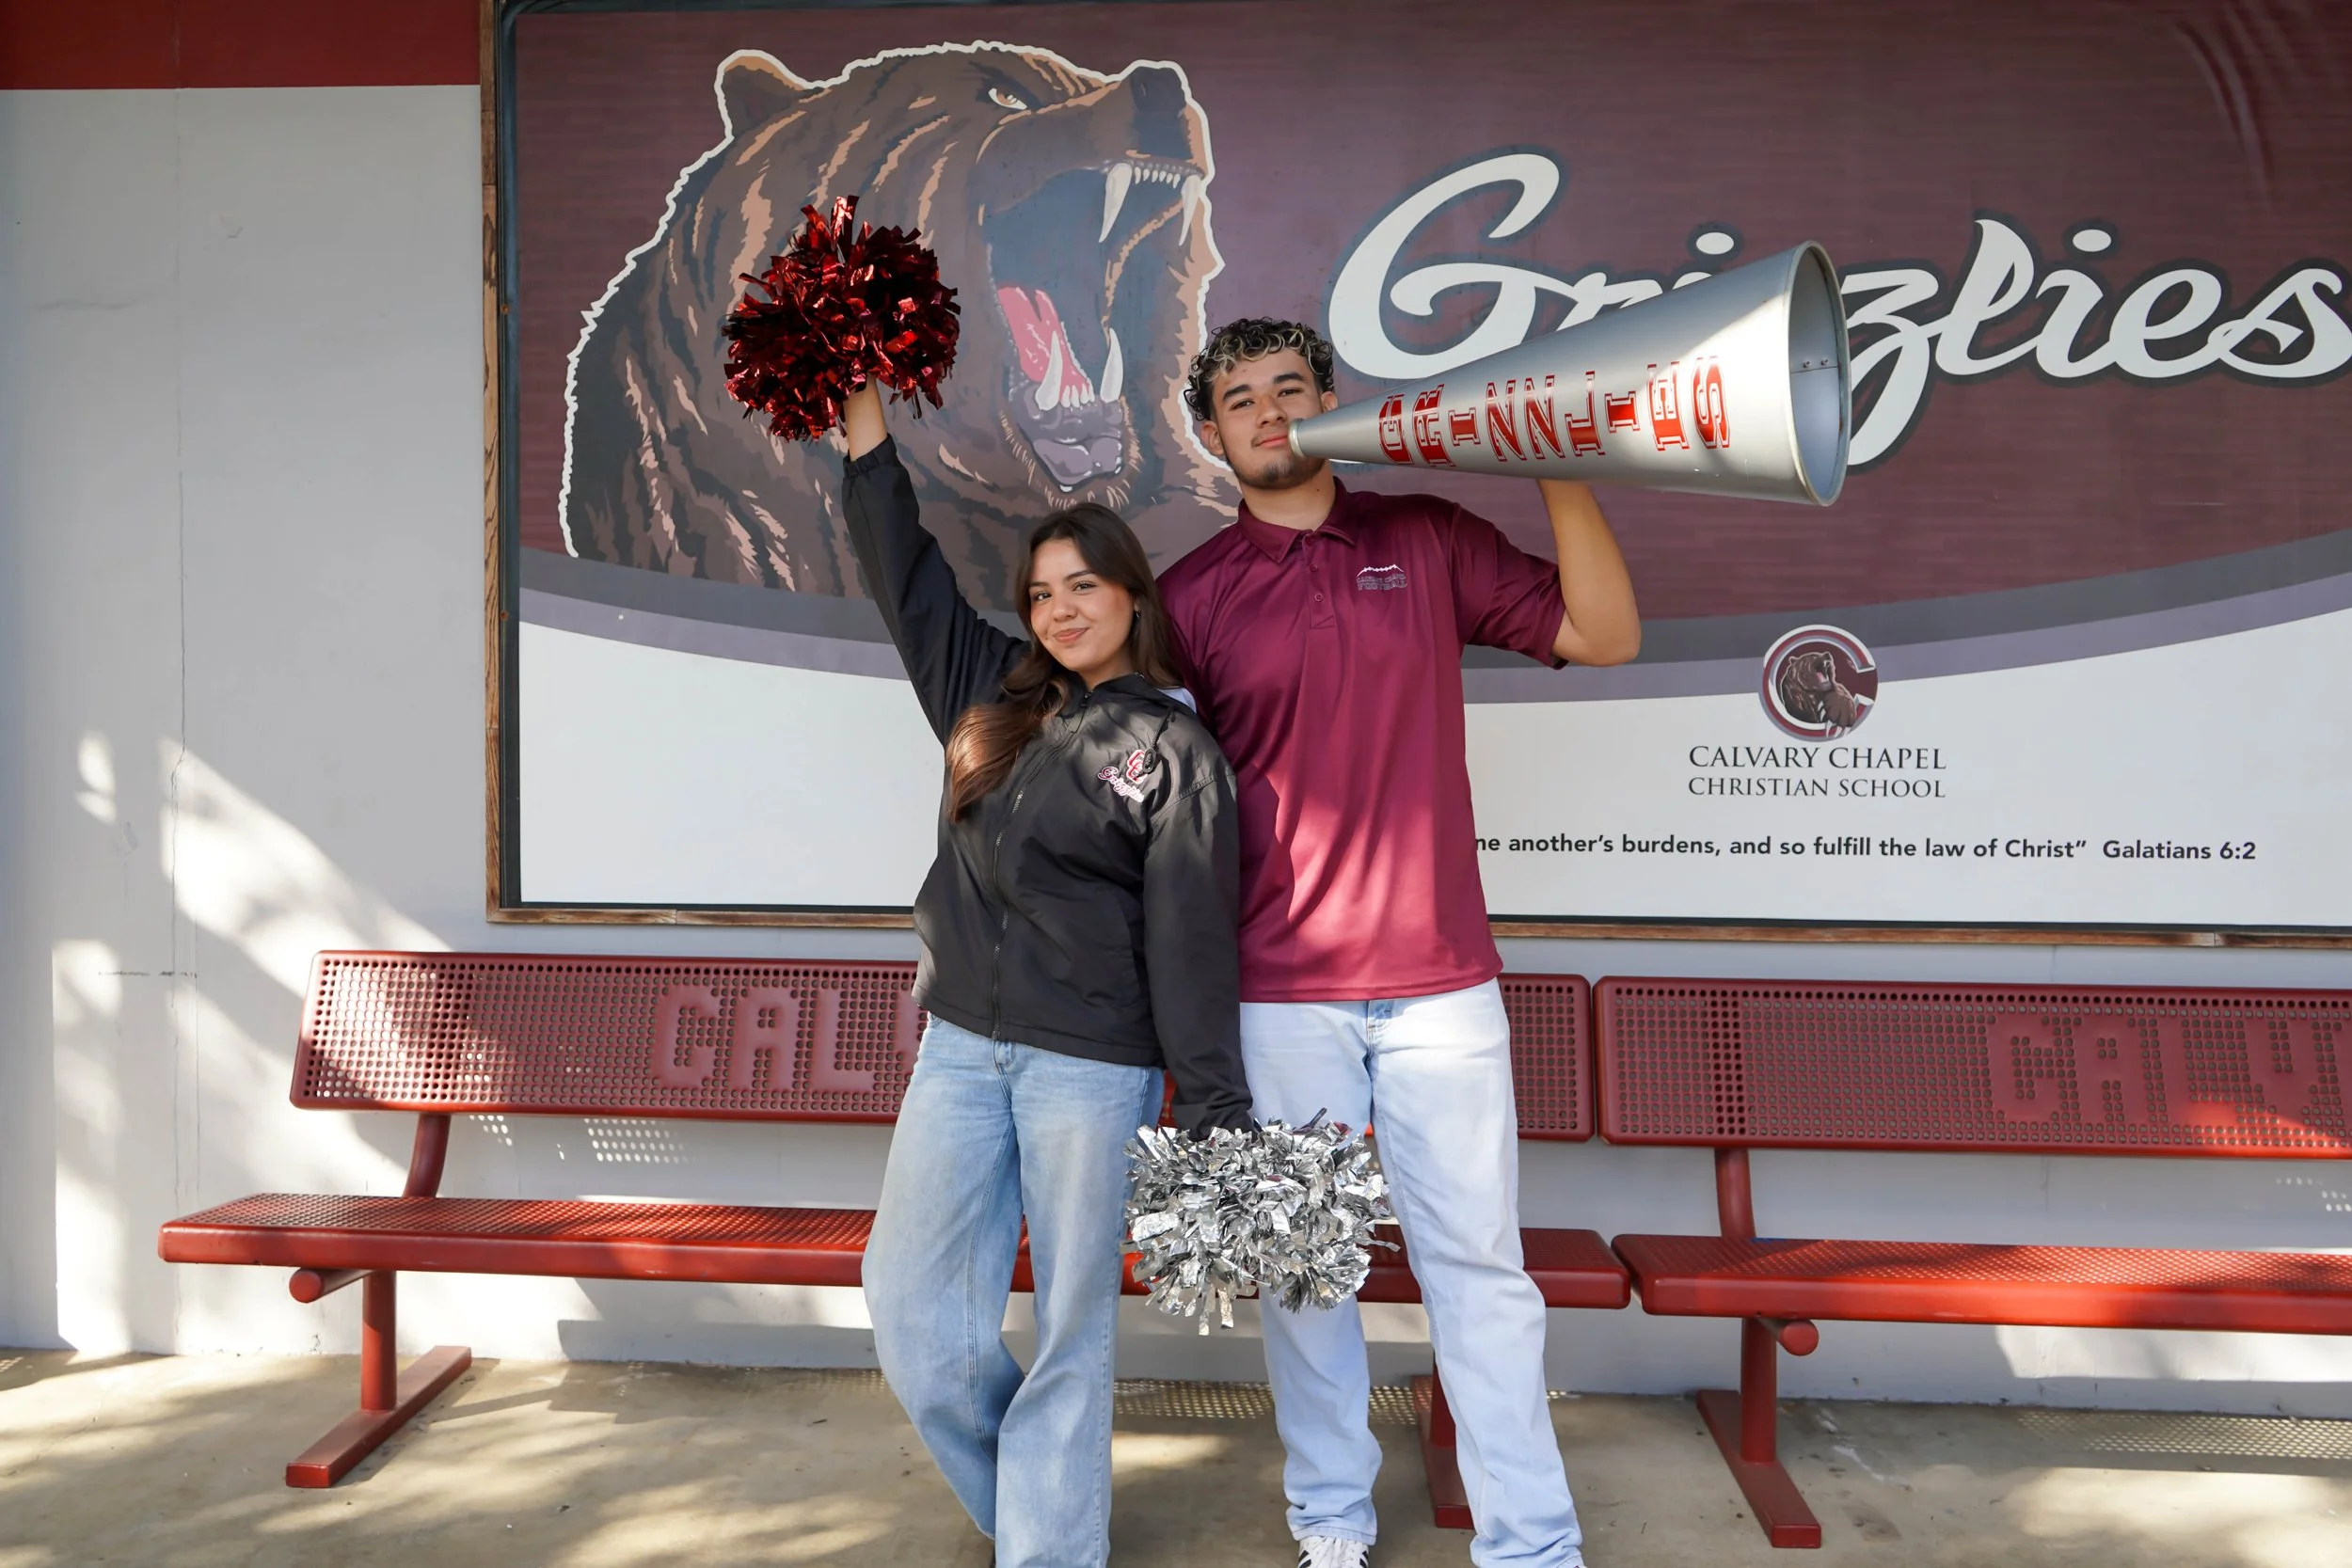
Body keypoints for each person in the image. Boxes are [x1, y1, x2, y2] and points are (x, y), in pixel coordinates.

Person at [1158, 320, 1642, 1568]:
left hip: (1440, 984)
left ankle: (1532, 1541)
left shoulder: (1426, 536)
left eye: (1290, 388)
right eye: (1239, 399)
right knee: (1302, 1268)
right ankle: (1329, 1517)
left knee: (1480, 1269)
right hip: (1276, 993)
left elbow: (1604, 634)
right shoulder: (1187, 595)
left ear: (1331, 402)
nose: (1268, 411)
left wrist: (1559, 465)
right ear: (1210, 435)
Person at [840, 380, 1255, 1568]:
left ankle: (1049, 1549)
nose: (1061, 608)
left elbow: (1192, 942)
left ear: (1131, 596)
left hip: (1092, 1068)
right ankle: (1027, 1509)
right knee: (911, 1306)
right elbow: (902, 568)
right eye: (1041, 592)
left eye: (1084, 585)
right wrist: (863, 423)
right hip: (962, 1053)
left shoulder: (1173, 747)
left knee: (1073, 1327)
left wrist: (1211, 1108)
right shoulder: (986, 690)